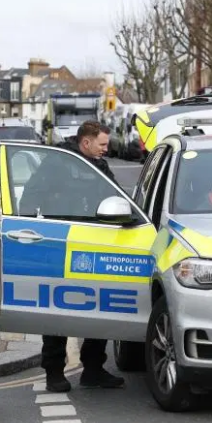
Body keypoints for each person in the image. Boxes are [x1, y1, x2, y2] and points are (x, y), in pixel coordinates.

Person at [37, 120, 124, 393]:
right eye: (102, 144)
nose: (105, 149)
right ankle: (54, 372)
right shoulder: (56, 162)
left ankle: (94, 370)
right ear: (86, 142)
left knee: (99, 307)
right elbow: (30, 197)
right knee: (58, 310)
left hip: (94, 242)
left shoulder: (100, 165)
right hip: (61, 241)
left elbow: (117, 197)